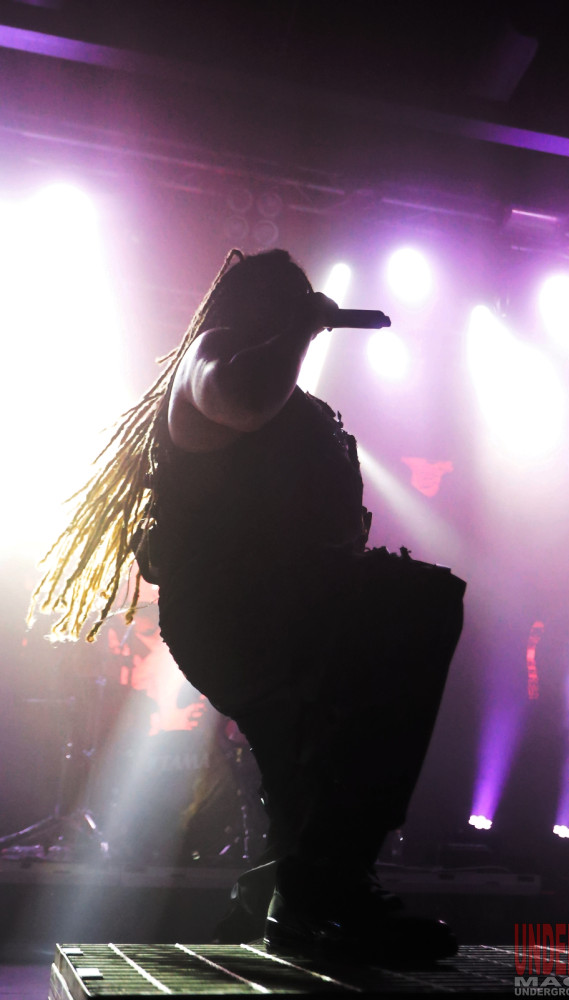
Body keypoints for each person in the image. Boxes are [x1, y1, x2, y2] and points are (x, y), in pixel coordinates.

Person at [29, 248, 465, 963]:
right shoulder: (213, 356)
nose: (304, 304)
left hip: (287, 602)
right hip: (238, 608)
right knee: (417, 605)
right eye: (288, 298)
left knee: (309, 752)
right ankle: (318, 889)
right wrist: (302, 327)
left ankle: (292, 892)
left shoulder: (298, 403)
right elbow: (245, 398)